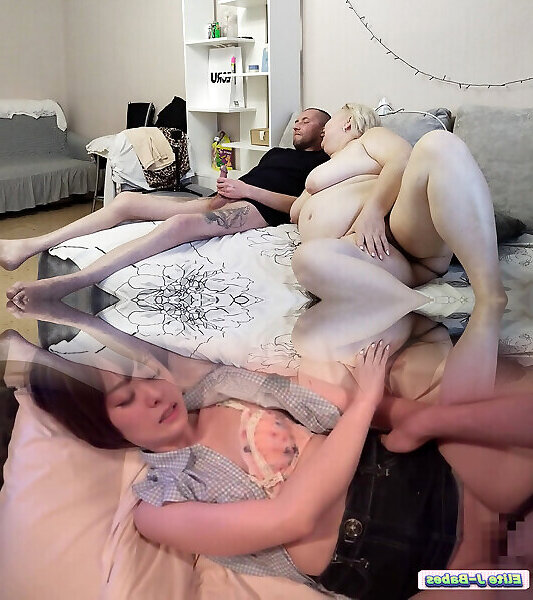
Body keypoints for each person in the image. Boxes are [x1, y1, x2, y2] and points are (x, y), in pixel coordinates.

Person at [12, 303, 532, 600]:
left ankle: (441, 423)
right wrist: (366, 403)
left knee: (512, 427)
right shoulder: (160, 504)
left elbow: (339, 406)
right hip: (409, 563)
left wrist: (416, 418)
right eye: (125, 401)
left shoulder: (221, 388)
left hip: (431, 474)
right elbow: (293, 517)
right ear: (106, 431)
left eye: (142, 378)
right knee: (511, 581)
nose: (151, 394)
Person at [3, 108, 330, 304]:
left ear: (323, 131)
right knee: (126, 201)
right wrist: (227, 188)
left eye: (307, 121)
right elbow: (249, 181)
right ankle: (28, 246)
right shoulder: (276, 152)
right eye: (297, 119)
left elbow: (296, 208)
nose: (297, 124)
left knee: (178, 226)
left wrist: (246, 190)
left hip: (258, 211)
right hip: (224, 200)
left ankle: (70, 283)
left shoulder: (323, 166)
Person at [290, 103, 507, 312]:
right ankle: (418, 306)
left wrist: (373, 212)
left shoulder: (368, 139)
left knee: (438, 143)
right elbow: (294, 212)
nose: (322, 132)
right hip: (366, 252)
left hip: (397, 229)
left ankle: (490, 295)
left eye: (327, 126)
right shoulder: (325, 168)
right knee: (305, 259)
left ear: (347, 122)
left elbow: (402, 158)